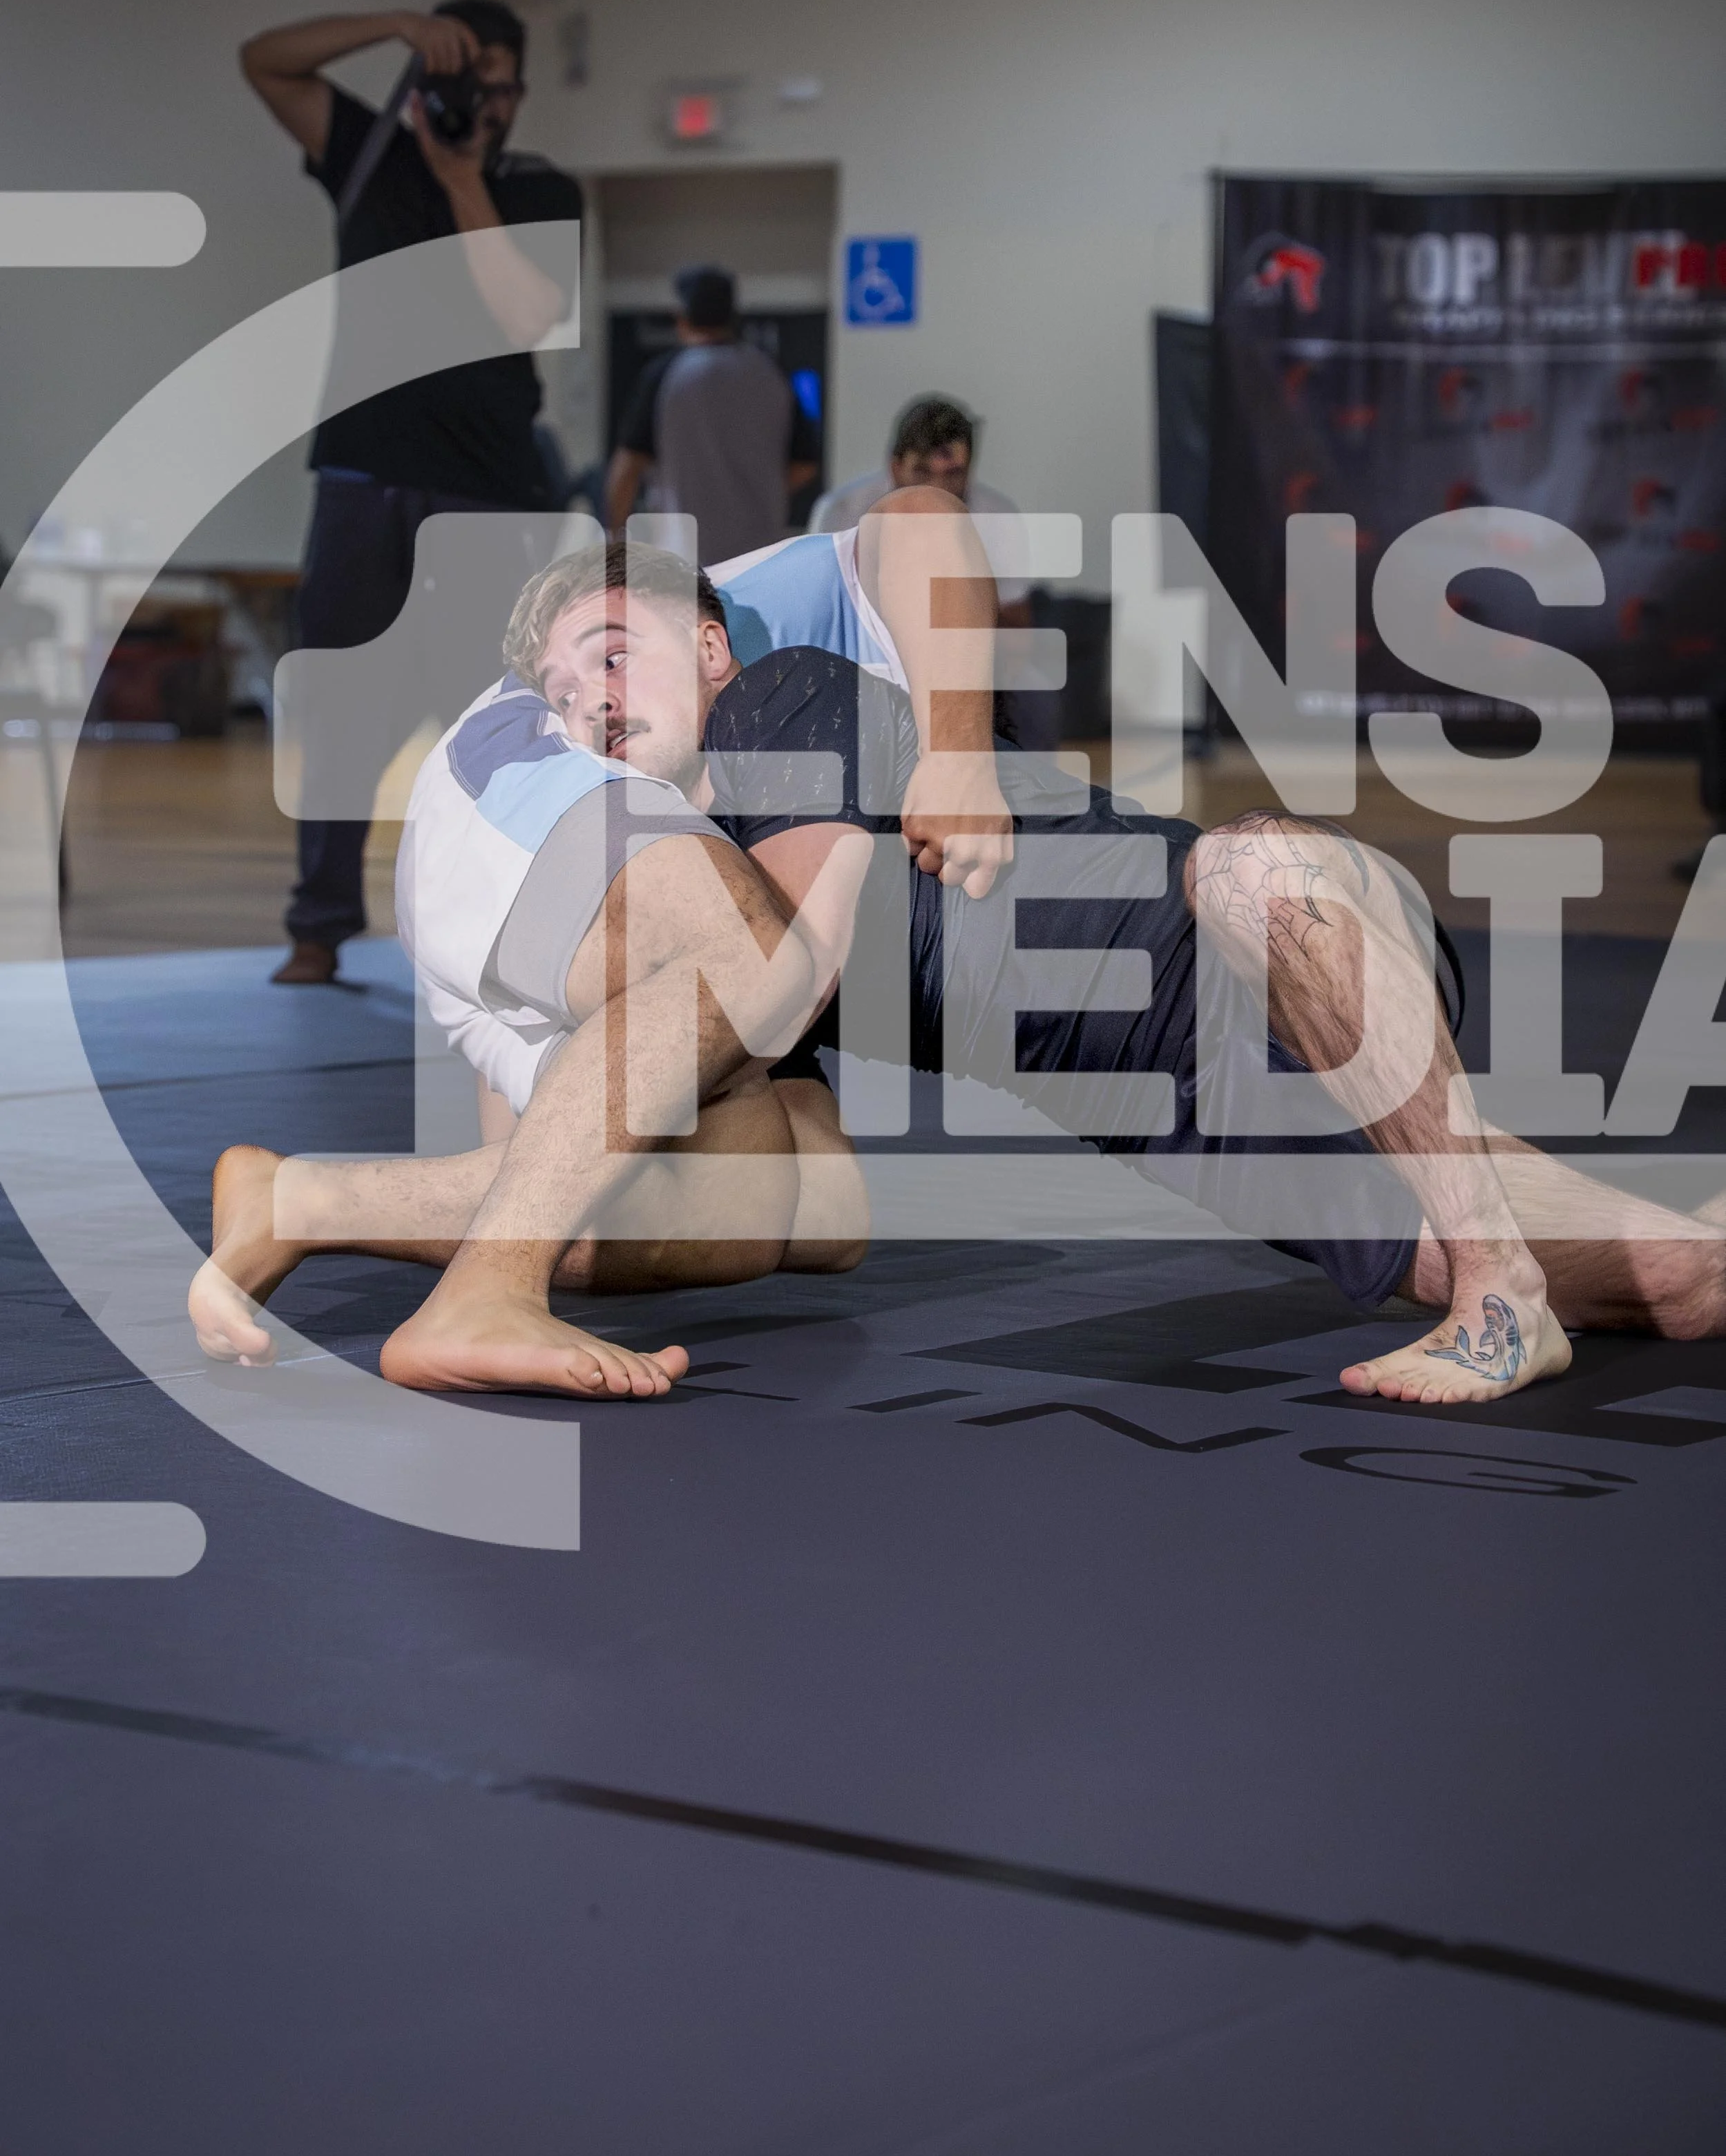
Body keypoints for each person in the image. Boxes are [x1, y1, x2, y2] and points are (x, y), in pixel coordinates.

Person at [192, 524, 1726, 1402]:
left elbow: (782, 977)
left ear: (706, 645)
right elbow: (772, 1188)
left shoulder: (781, 696)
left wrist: (514, 1213)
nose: (584, 700)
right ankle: (1555, 1268)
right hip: (1189, 1112)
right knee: (1671, 1279)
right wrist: (377, 1209)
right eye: (557, 687)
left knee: (1251, 866)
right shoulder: (707, 858)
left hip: (1268, 944)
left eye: (610, 653)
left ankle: (1500, 1300)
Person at [240, 0, 584, 986]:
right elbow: (265, 58)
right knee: (337, 708)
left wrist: (462, 178)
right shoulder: (371, 153)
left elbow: (527, 316)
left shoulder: (537, 187)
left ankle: (489, 928)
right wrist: (392, 24)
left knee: (484, 716)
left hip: (483, 492)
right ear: (426, 81)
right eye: (465, 80)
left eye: (501, 86)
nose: (485, 102)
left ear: (519, 93)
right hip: (362, 476)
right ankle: (317, 925)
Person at [812, 394, 1055, 749]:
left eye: (953, 474)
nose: (937, 489)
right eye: (923, 472)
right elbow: (824, 620)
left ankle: (1022, 782)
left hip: (969, 657)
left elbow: (1016, 629)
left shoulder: (998, 517)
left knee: (1035, 696)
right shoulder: (843, 513)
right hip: (867, 656)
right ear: (896, 466)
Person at [604, 265, 820, 564]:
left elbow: (627, 467)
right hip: (759, 555)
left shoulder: (667, 375)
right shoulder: (770, 373)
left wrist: (616, 538)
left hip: (682, 555)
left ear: (681, 317)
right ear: (734, 316)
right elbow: (805, 465)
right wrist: (756, 491)